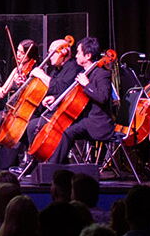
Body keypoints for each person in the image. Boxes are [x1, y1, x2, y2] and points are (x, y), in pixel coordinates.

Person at [26, 36, 116, 173]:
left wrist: (87, 85)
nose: (76, 55)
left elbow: (103, 98)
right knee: (61, 128)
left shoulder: (101, 74)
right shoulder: (85, 72)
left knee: (66, 132)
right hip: (84, 119)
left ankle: (52, 169)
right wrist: (55, 98)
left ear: (88, 55)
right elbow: (75, 96)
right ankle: (50, 165)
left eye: (79, 52)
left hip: (97, 123)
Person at [0, 39, 39, 171]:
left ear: (30, 55)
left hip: (28, 111)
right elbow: (2, 93)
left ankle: (1, 161)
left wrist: (23, 85)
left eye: (21, 52)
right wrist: (4, 87)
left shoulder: (37, 71)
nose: (18, 55)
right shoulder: (17, 70)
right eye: (17, 51)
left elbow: (34, 94)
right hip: (14, 110)